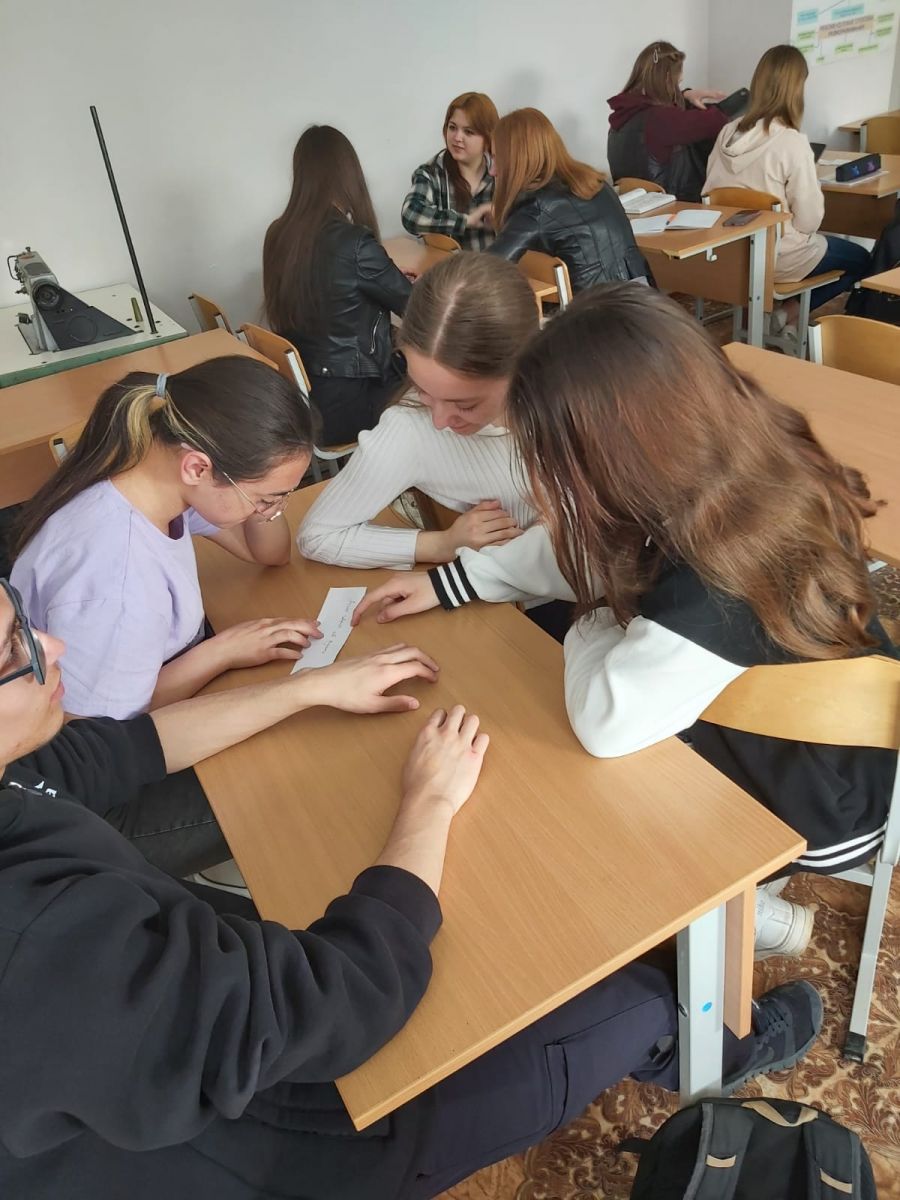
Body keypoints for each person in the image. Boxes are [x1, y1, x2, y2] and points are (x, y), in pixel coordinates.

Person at [0, 574, 823, 1199]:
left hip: (223, 1026)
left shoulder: (15, 779)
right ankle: (705, 1047)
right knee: (633, 995)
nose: (53, 647)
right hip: (294, 1137)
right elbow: (336, 1003)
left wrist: (308, 688)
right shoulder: (36, 941)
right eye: (14, 653)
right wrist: (426, 805)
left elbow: (116, 753)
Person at [354, 285, 899, 960]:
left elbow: (604, 721)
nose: (545, 480)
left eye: (553, 462)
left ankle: (733, 907)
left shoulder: (716, 580)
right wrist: (451, 581)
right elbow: (584, 547)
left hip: (822, 796)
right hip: (780, 724)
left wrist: (593, 618)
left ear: (621, 457)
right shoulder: (721, 467)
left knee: (578, 780)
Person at [11, 357, 319, 723]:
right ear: (196, 468)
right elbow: (96, 728)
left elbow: (270, 552)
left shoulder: (148, 477)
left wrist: (267, 493)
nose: (271, 511)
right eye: (266, 500)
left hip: (158, 668)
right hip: (93, 733)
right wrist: (221, 652)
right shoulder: (119, 579)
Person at [298, 253, 538, 570]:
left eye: (465, 405)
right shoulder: (408, 430)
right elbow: (317, 536)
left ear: (524, 369)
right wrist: (442, 544)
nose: (439, 421)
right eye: (422, 388)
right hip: (510, 587)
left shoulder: (572, 386)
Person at [263, 125, 412, 446]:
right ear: (348, 175)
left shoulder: (278, 234)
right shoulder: (354, 242)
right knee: (436, 378)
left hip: (308, 402)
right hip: (354, 404)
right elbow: (415, 307)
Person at [704, 44, 872, 328]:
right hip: (778, 257)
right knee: (863, 260)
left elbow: (708, 194)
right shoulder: (791, 142)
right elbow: (809, 220)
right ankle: (787, 315)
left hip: (729, 253)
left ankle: (773, 315)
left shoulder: (727, 133)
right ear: (796, 89)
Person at [487, 108, 652, 293]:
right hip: (642, 297)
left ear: (517, 161)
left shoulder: (536, 206)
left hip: (597, 306)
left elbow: (489, 269)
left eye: (496, 159)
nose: (492, 171)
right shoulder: (596, 182)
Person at [608, 40, 728, 201]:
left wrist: (684, 95)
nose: (677, 88)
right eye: (677, 82)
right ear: (666, 78)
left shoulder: (621, 118)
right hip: (674, 210)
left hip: (637, 210)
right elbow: (717, 121)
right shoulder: (660, 119)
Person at [401, 92, 499, 251]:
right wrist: (466, 221)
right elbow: (410, 215)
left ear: (487, 137)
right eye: (452, 127)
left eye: (468, 131)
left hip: (497, 264)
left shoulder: (500, 171)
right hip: (452, 265)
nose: (457, 137)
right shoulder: (431, 173)